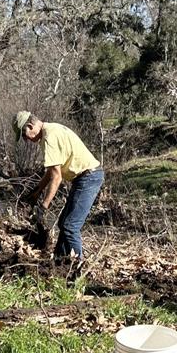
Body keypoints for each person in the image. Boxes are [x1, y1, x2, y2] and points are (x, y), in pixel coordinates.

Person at [14, 111, 104, 261]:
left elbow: (57, 177)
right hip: (84, 177)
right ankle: (59, 261)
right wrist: (37, 191)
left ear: (30, 126)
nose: (26, 140)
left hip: (88, 177)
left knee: (70, 226)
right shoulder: (50, 129)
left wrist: (43, 207)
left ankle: (77, 267)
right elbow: (52, 171)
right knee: (64, 223)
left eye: (24, 135)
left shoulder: (49, 138)